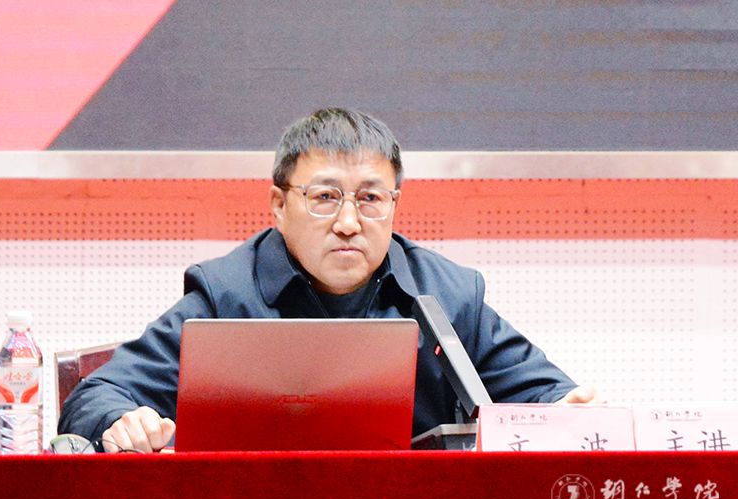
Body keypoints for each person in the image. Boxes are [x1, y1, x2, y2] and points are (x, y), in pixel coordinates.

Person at [58, 108, 598, 452]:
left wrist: (568, 413)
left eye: (370, 198)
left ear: (394, 204)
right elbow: (96, 396)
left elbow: (547, 395)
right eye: (324, 197)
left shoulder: (447, 295)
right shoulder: (226, 294)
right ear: (278, 204)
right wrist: (122, 420)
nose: (348, 222)